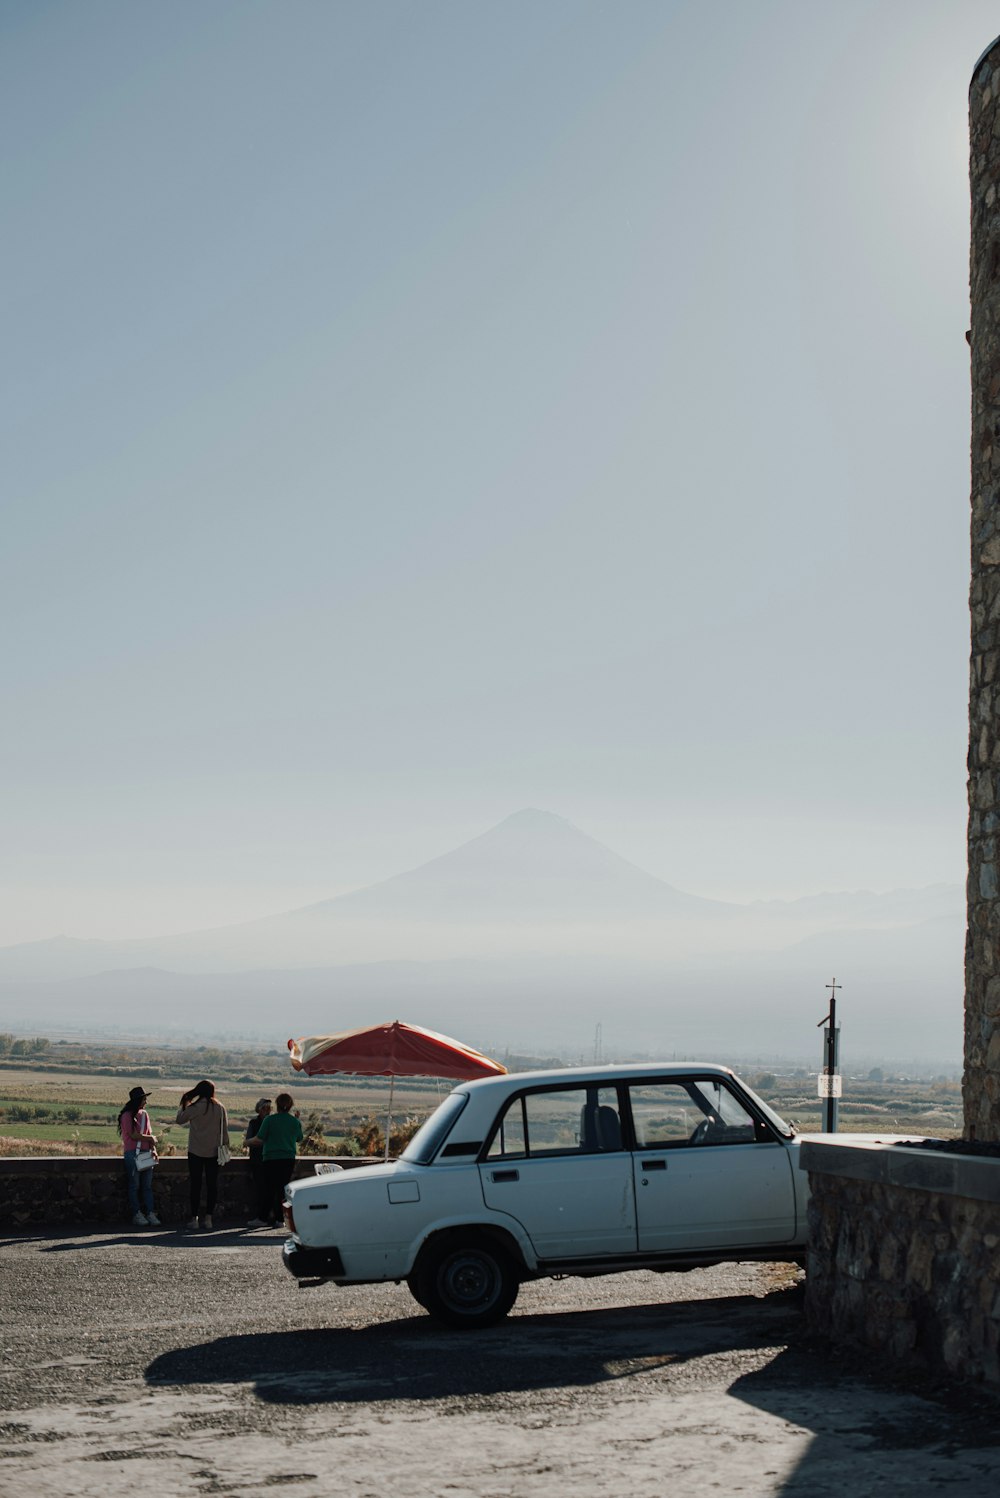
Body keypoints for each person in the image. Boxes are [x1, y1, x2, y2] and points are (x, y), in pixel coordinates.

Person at [176, 1079, 230, 1230]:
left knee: (196, 1185)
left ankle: (194, 1219)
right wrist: (225, 1147)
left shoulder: (195, 1108)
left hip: (196, 1151)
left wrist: (184, 1105)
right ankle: (209, 1218)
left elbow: (179, 1120)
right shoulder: (220, 1107)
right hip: (214, 1152)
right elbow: (224, 1132)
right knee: (212, 1186)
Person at [249, 1092, 302, 1227]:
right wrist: (297, 1120)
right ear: (290, 1106)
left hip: (271, 1158)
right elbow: (299, 1138)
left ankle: (262, 1218)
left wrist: (246, 1142)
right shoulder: (294, 1122)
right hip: (288, 1159)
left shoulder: (269, 1120)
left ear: (276, 1105)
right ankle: (281, 1219)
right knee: (283, 1189)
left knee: (269, 1188)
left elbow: (260, 1137)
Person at [118, 1086, 160, 1227]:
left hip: (144, 1152)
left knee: (146, 1186)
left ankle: (149, 1212)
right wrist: (151, 1139)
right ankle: (138, 1213)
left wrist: (153, 1148)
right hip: (133, 1153)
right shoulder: (127, 1116)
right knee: (135, 1185)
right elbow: (133, 1135)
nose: (146, 1102)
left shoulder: (144, 1115)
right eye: (144, 1099)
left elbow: (147, 1134)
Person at [243, 1097, 272, 1223]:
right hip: (258, 1160)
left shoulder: (271, 1122)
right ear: (259, 1110)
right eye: (265, 1108)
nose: (268, 1111)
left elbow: (249, 1141)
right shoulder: (254, 1123)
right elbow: (249, 1140)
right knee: (261, 1189)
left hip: (267, 1160)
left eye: (269, 1108)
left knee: (268, 1189)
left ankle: (265, 1215)